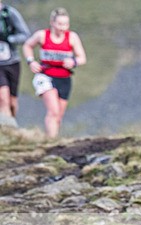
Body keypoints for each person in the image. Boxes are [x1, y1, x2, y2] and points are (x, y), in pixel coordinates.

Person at [22, 7, 86, 138]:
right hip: (46, 76)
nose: (63, 27)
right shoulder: (42, 35)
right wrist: (31, 61)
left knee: (58, 116)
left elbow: (82, 58)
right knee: (53, 111)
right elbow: (27, 45)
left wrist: (73, 62)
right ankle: (51, 142)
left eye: (66, 24)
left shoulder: (72, 37)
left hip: (64, 78)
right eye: (60, 24)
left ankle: (52, 140)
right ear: (52, 23)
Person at [0, 1, 31, 127]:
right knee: (3, 99)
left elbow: (25, 35)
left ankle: (11, 125)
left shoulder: (9, 14)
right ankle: (7, 132)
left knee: (12, 102)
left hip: (12, 61)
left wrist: (9, 39)